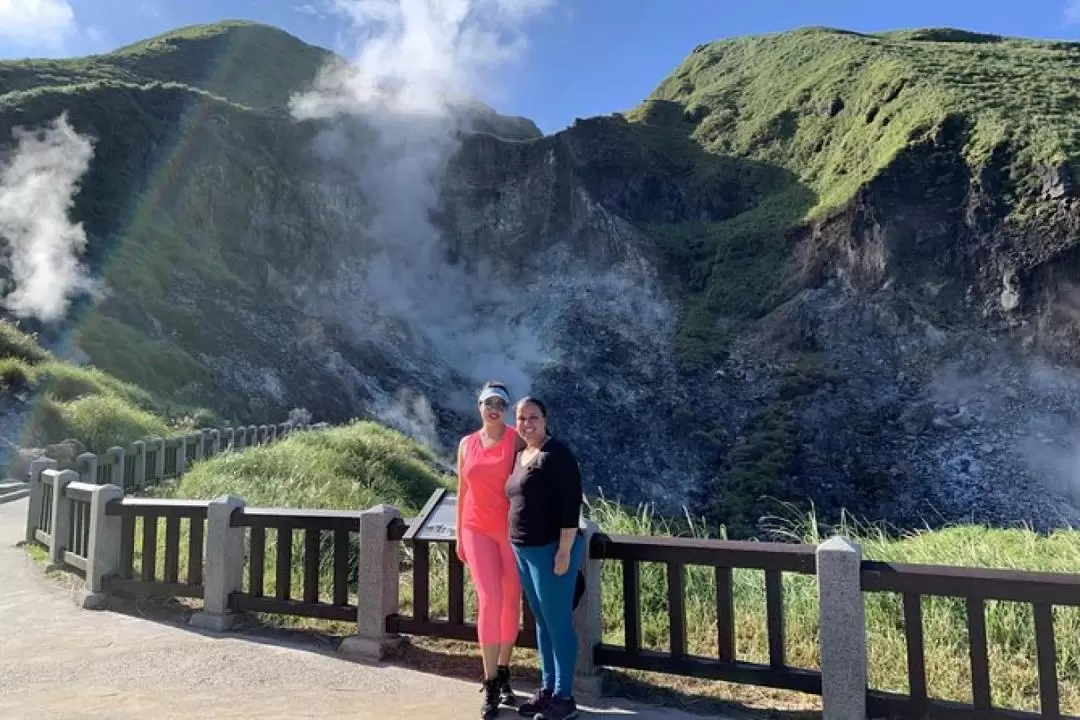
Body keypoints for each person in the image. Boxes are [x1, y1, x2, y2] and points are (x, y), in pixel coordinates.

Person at [506, 397, 585, 720]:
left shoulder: (557, 454)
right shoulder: (521, 455)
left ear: (545, 419)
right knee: (541, 620)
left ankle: (565, 698)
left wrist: (564, 551)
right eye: (522, 418)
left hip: (551, 548)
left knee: (558, 622)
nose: (527, 423)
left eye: (533, 417)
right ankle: (548, 688)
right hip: (523, 549)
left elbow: (571, 505)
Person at [455, 381, 527, 719]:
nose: (494, 408)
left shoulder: (516, 439)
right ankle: (490, 682)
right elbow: (462, 490)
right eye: (488, 403)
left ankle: (504, 670)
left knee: (511, 602)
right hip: (475, 529)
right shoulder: (466, 444)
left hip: (510, 532)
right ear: (479, 406)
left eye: (500, 402)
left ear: (507, 408)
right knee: (490, 600)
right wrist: (459, 536)